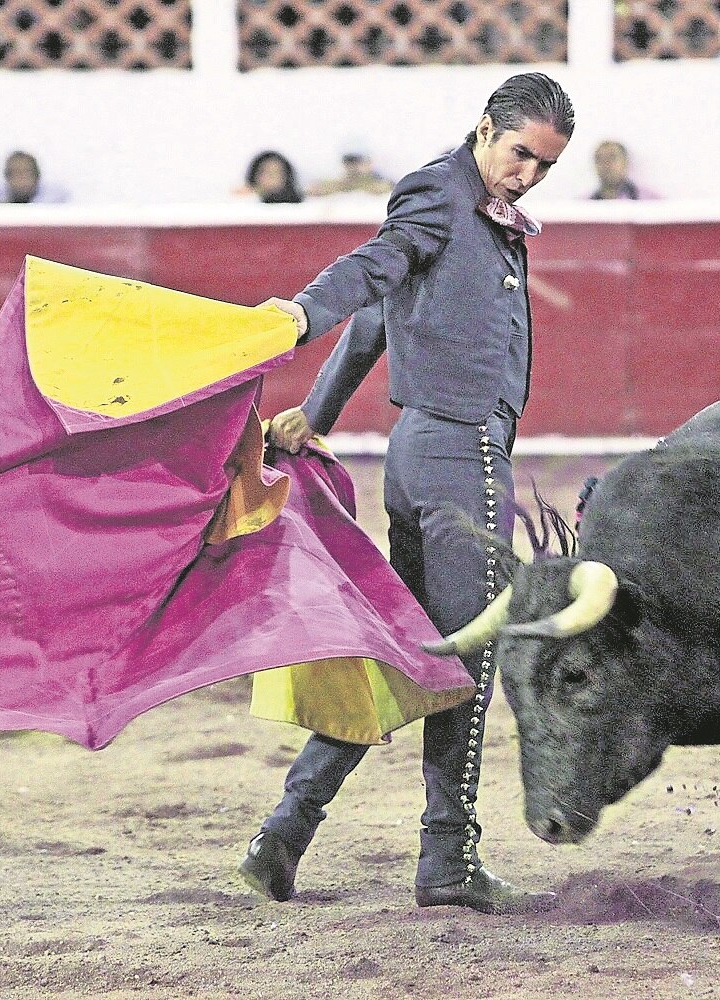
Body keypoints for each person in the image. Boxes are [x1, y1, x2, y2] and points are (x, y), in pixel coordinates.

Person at [239, 72, 575, 915]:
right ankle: (448, 860)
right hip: (461, 454)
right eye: (520, 154)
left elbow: (378, 320)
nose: (527, 175)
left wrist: (313, 416)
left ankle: (285, 831)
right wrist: (297, 315)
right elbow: (367, 274)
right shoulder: (438, 190)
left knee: (409, 650)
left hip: (421, 455)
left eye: (543, 166)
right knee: (469, 656)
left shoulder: (478, 211)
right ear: (485, 128)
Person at [0, 151, 70, 204]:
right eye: (15, 173)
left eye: (26, 172)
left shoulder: (52, 195)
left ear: (37, 177)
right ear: (7, 178)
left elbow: (59, 195)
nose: (21, 179)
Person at [306, 151, 394, 197]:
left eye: (357, 162)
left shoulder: (380, 184)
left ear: (368, 163)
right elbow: (311, 190)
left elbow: (385, 188)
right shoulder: (339, 183)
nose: (353, 167)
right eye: (349, 163)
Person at [238, 151, 303, 203]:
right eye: (264, 172)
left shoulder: (299, 201)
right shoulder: (244, 200)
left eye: (275, 172)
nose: (270, 178)